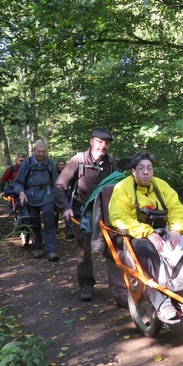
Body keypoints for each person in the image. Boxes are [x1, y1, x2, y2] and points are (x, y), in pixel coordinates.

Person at [108, 152, 183, 321]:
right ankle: (162, 302)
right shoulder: (122, 188)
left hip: (163, 231)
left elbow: (177, 209)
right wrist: (147, 232)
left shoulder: (162, 186)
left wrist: (176, 229)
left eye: (149, 168)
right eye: (141, 168)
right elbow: (118, 217)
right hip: (135, 236)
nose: (146, 172)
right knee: (147, 250)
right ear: (133, 171)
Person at [54, 128, 117, 302]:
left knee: (114, 248)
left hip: (106, 211)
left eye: (106, 143)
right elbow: (59, 186)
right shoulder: (78, 160)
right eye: (100, 141)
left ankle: (119, 287)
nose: (103, 146)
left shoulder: (111, 162)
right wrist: (66, 207)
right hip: (83, 212)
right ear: (91, 142)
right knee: (84, 251)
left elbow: (119, 187)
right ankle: (86, 285)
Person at [12, 141, 59, 261]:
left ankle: (51, 250)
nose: (41, 154)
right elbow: (17, 183)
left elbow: (56, 181)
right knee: (34, 222)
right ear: (34, 151)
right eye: (39, 151)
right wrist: (21, 192)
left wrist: (58, 196)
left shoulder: (49, 163)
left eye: (43, 151)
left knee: (49, 221)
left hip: (47, 195)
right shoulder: (27, 164)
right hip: (31, 196)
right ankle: (38, 247)